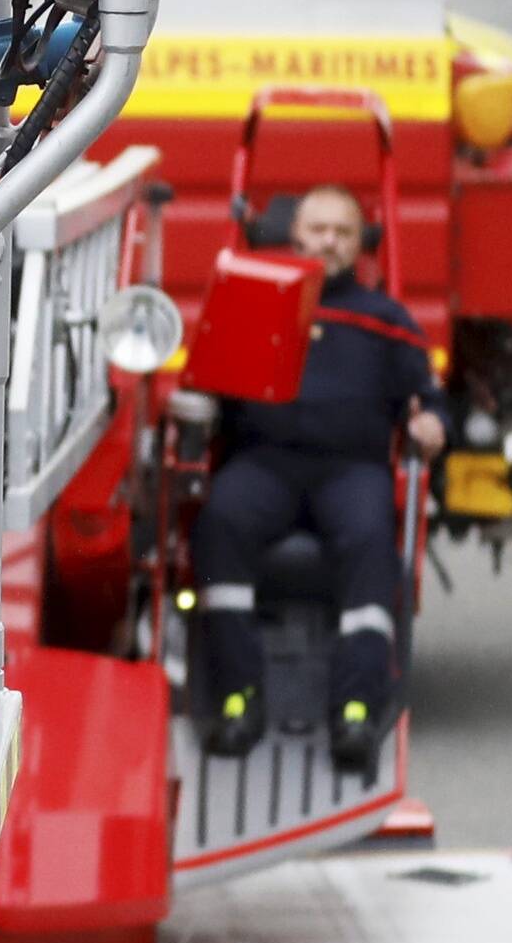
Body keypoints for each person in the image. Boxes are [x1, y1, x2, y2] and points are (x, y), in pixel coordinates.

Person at [177, 183, 447, 779]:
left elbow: (430, 399)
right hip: (263, 462)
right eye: (318, 229)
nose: (329, 241)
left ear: (361, 244)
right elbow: (204, 384)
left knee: (372, 542)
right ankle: (237, 700)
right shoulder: (255, 300)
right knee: (220, 521)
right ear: (295, 234)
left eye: (343, 232)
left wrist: (432, 421)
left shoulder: (388, 321)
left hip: (352, 469)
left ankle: (356, 711)